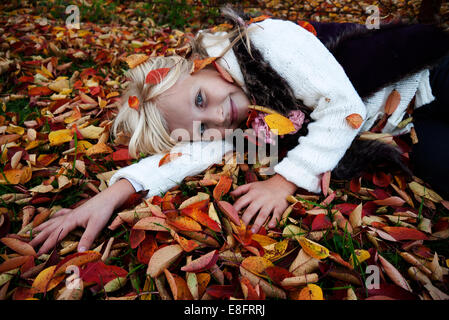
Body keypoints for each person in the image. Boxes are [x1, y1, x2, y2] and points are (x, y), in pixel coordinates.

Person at [29, 6, 449, 255]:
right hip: (408, 123)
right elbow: (193, 155)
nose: (217, 117)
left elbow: (342, 108)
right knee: (436, 164)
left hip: (426, 77)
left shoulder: (268, 42)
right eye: (202, 127)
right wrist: (113, 193)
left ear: (199, 66)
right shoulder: (239, 116)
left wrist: (284, 181)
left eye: (199, 100)